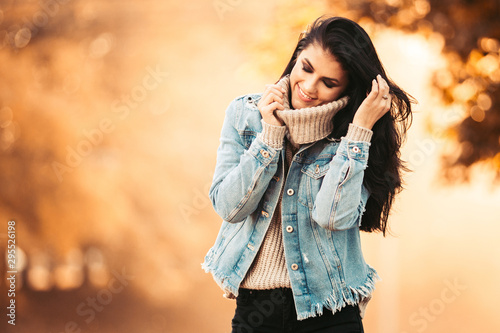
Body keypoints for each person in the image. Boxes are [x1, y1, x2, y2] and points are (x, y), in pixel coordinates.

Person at [203, 16, 413, 333]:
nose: (309, 87)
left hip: (329, 313)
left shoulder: (357, 138)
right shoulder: (245, 115)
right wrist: (269, 138)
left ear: (351, 88)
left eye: (329, 83)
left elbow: (332, 216)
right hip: (255, 313)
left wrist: (359, 133)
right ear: (297, 56)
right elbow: (229, 206)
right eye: (306, 68)